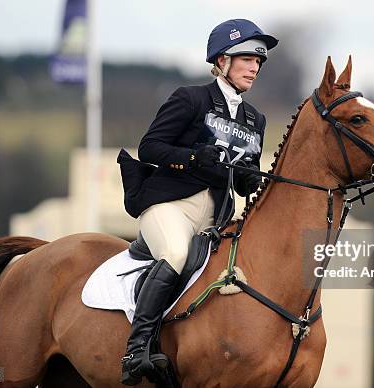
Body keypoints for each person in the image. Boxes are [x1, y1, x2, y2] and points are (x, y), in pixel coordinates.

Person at [119, 19, 278, 385]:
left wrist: (250, 179)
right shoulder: (190, 98)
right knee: (175, 253)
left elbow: (241, 180)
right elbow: (150, 147)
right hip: (170, 206)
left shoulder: (256, 119)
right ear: (222, 60)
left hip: (215, 218)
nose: (254, 67)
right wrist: (192, 158)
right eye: (246, 59)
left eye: (259, 62)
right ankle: (136, 348)